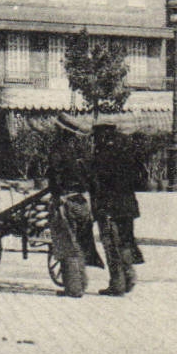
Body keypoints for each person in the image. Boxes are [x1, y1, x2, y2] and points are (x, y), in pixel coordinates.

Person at [46, 112, 99, 298]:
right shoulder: (82, 151)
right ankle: (82, 283)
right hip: (82, 202)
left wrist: (56, 195)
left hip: (65, 201)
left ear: (60, 131)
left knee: (67, 245)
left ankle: (73, 289)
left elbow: (54, 177)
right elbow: (91, 178)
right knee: (80, 243)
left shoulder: (58, 150)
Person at [91, 123, 141, 295]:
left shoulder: (102, 156)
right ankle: (130, 276)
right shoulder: (126, 153)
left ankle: (117, 284)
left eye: (96, 137)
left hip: (110, 208)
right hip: (128, 207)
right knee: (126, 241)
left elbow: (96, 184)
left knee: (111, 245)